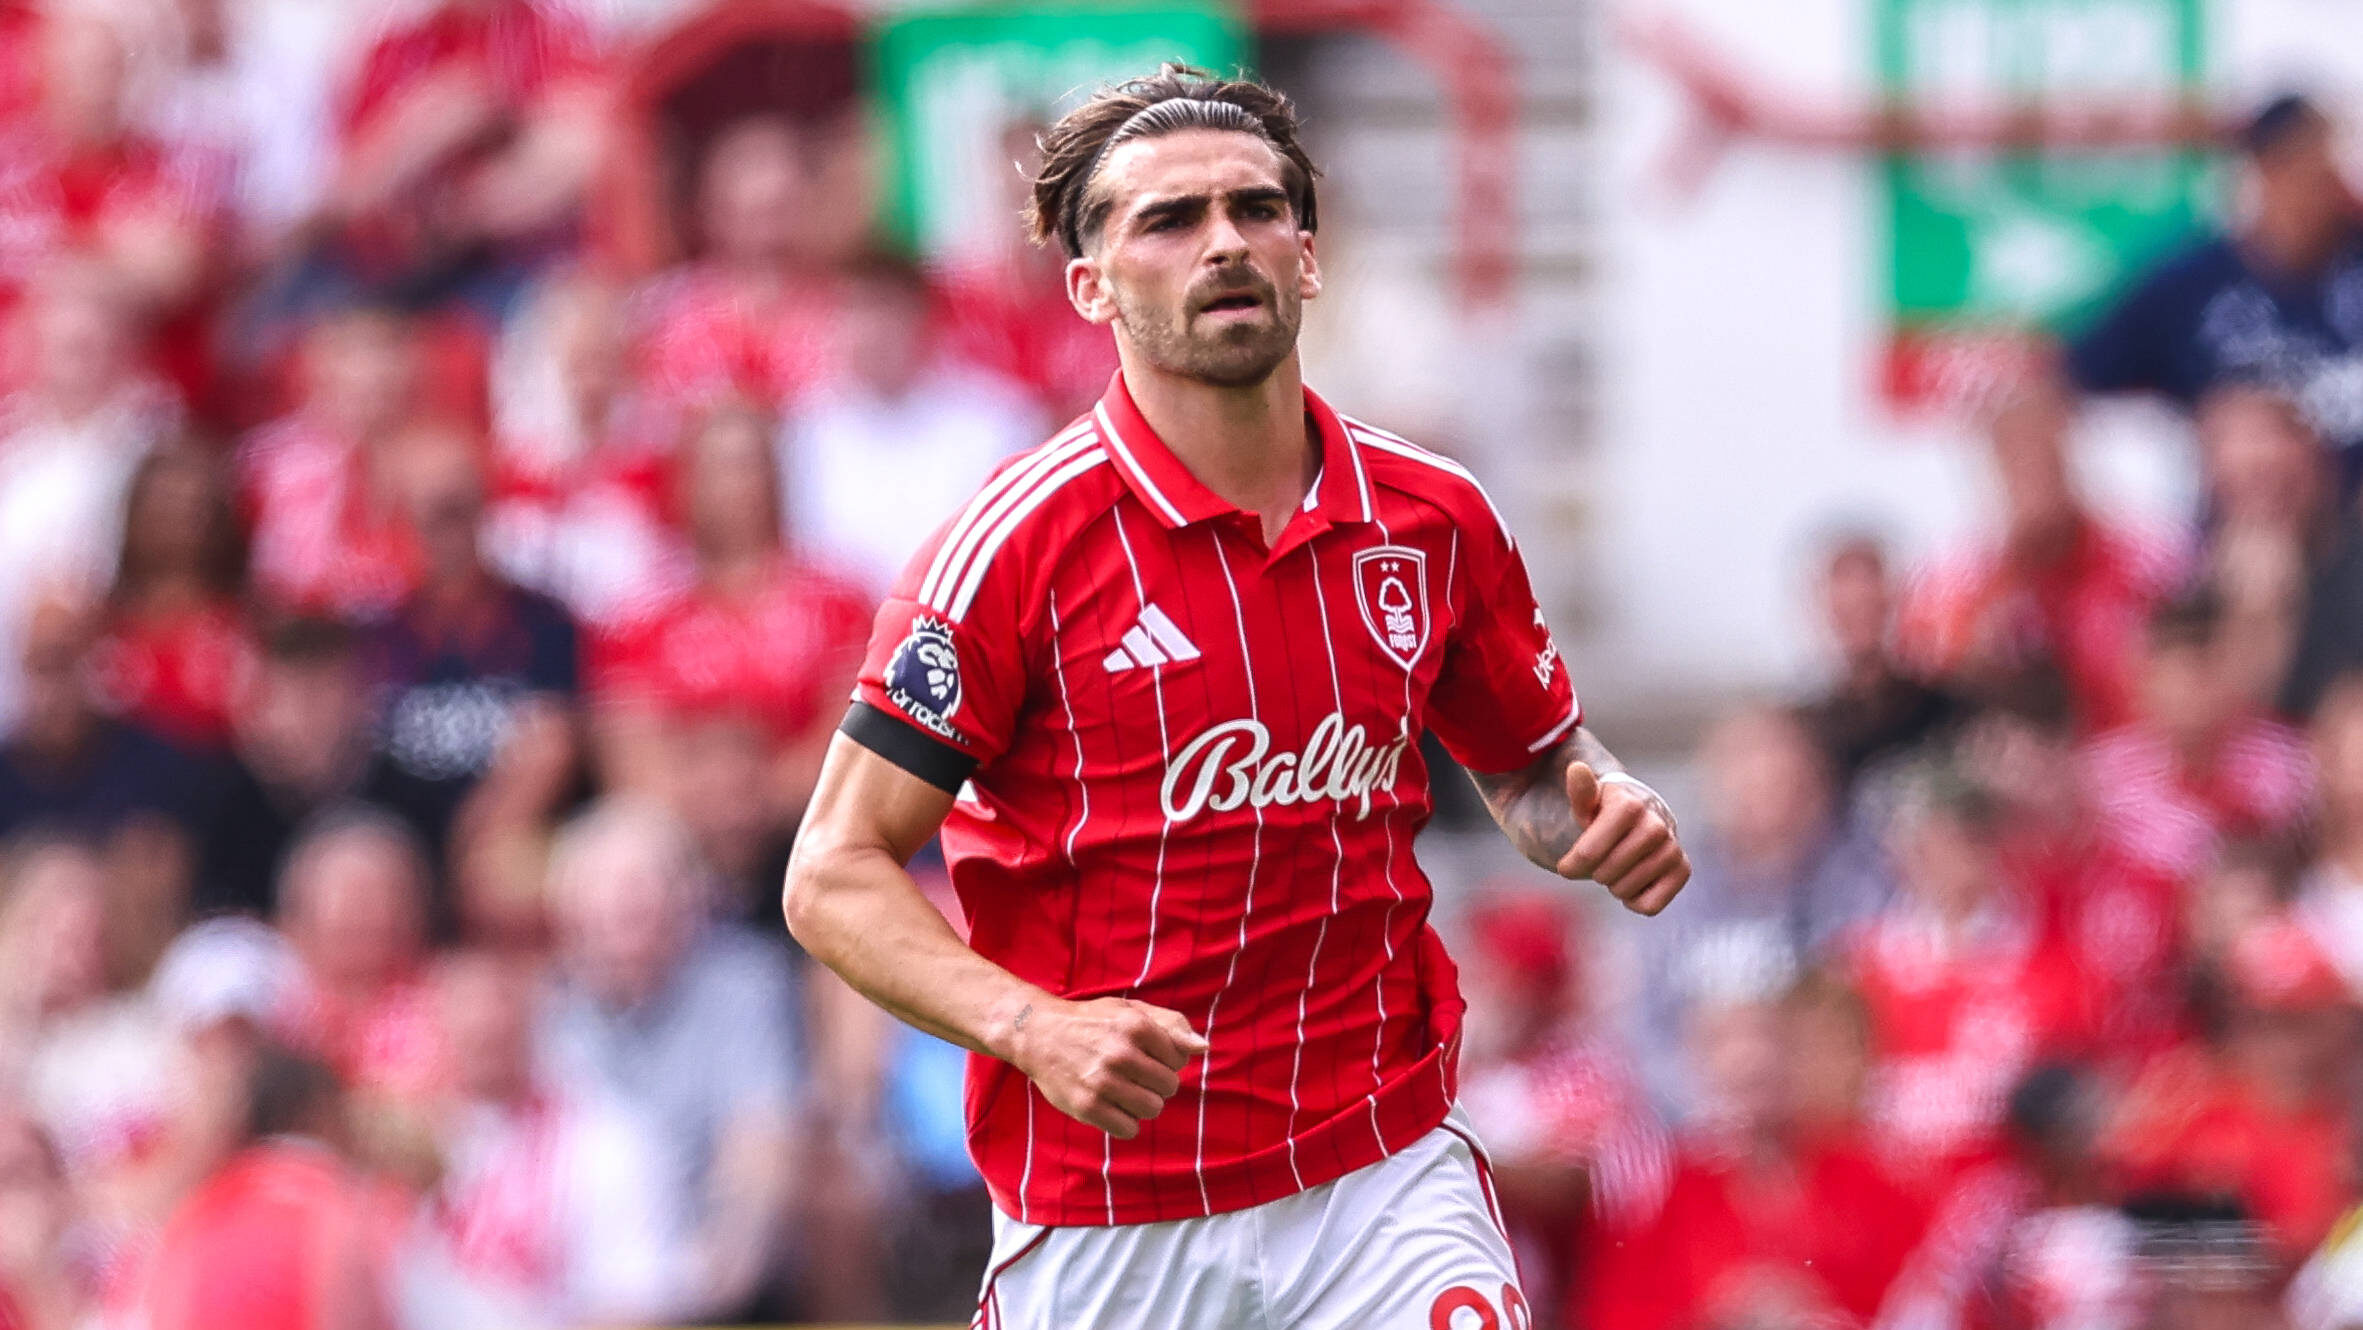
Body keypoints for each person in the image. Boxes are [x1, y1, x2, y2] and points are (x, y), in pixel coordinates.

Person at [781, 66, 1690, 1329]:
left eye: (1255, 208)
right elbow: (830, 873)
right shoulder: (1011, 549)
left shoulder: (1430, 516)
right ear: (1089, 287)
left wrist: (1599, 804)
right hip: (1110, 1211)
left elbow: (1530, 764)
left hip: (1380, 1172)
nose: (1223, 242)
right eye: (1168, 219)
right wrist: (1030, 1027)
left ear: (1306, 257)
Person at [539, 800, 800, 1321]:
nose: (628, 908)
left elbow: (762, 1141)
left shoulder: (746, 984)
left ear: (689, 900)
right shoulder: (546, 1013)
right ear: (569, 914)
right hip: (584, 1263)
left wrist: (710, 1269)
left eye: (645, 890)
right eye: (607, 892)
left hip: (707, 1244)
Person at [2067, 94, 2363, 495]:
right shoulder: (2190, 285)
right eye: (2310, 171)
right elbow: (2082, 373)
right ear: (2266, 169)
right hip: (2236, 517)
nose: (2327, 191)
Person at [356, 423, 580, 936]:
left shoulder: (542, 622)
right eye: (424, 513)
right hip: (399, 846)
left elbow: (550, 754)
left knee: (512, 876)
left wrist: (461, 852)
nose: (442, 529)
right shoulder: (376, 635)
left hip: (501, 840)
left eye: (456, 509)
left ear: (485, 508)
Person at [392, 946, 689, 1329]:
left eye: (496, 1031)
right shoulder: (388, 1139)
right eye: (467, 1030)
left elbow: (636, 1303)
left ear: (532, 1022)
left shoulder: (606, 1139)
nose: (483, 1034)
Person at [1894, 380, 2184, 733]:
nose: (2031, 475)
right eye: (2014, 459)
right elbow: (1923, 671)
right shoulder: (1964, 578)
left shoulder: (2145, 557)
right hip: (2020, 755)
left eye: (2043, 456)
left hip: (2134, 748)